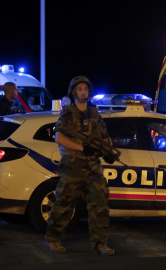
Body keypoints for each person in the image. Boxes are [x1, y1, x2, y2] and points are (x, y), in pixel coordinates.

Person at [44, 76, 116, 256]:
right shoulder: (68, 113)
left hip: (93, 166)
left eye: (85, 89)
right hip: (73, 166)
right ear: (73, 92)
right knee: (64, 205)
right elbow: (59, 138)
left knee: (100, 205)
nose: (83, 91)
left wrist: (108, 151)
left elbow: (105, 137)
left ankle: (100, 244)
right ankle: (52, 239)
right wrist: (83, 147)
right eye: (79, 89)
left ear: (89, 92)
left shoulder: (95, 113)